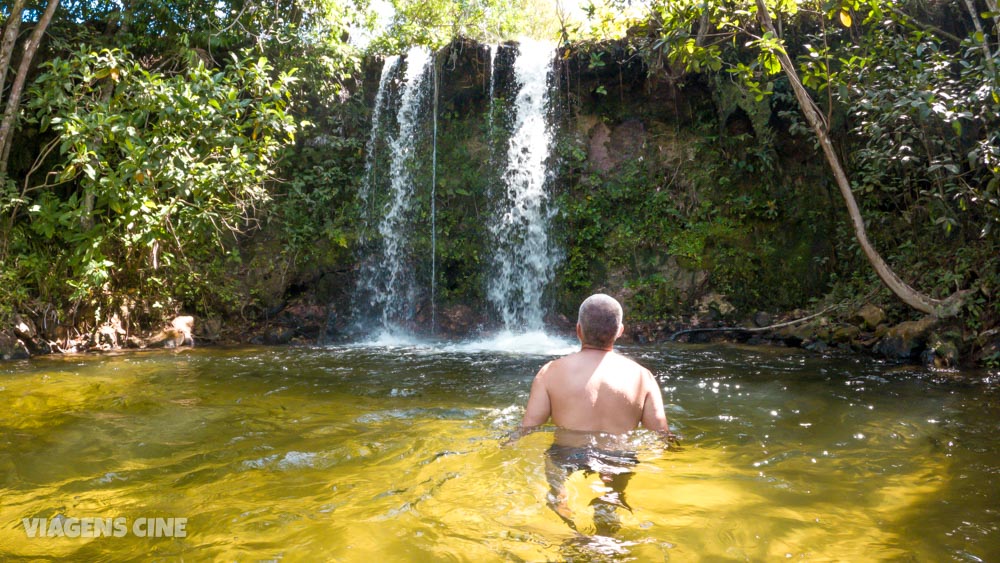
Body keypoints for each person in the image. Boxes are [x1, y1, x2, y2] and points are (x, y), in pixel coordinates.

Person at [518, 293, 671, 534]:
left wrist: (507, 441)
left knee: (558, 498)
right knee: (612, 499)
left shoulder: (551, 372)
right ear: (620, 330)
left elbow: (529, 427)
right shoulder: (642, 376)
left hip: (565, 453)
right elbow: (661, 434)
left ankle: (569, 531)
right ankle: (606, 539)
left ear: (578, 329)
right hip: (618, 456)